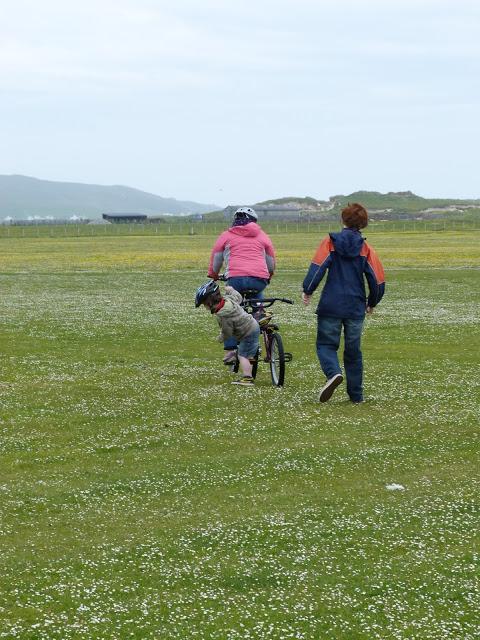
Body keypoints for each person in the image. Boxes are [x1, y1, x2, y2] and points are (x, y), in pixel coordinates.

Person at [302, 203, 385, 403]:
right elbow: (377, 279)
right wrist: (373, 301)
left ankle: (333, 373)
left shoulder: (330, 243)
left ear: (343, 220)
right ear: (363, 224)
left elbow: (317, 268)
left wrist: (308, 290)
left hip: (331, 304)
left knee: (325, 345)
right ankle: (356, 396)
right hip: (355, 307)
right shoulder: (366, 248)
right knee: (353, 351)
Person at [208, 207, 276, 364]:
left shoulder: (226, 235)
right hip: (259, 279)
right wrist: (269, 274)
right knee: (257, 301)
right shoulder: (263, 235)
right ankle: (259, 313)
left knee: (229, 311)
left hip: (236, 279)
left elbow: (217, 257)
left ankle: (231, 350)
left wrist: (213, 274)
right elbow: (270, 261)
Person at [195, 280, 261, 387]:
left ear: (209, 302)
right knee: (246, 352)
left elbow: (227, 332)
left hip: (247, 332)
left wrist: (221, 338)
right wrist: (232, 290)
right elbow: (238, 298)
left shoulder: (223, 315)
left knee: (242, 355)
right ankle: (251, 359)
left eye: (204, 304)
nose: (205, 307)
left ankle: (247, 378)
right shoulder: (227, 300)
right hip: (252, 325)